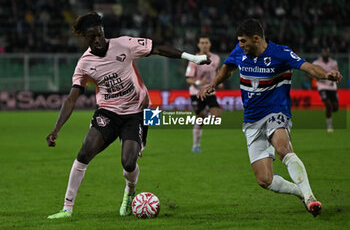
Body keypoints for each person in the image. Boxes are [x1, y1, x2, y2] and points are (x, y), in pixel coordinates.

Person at [46, 12, 210, 219]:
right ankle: (67, 208)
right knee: (84, 153)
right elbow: (71, 99)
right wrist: (56, 129)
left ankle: (129, 193)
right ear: (85, 39)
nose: (96, 40)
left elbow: (157, 48)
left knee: (128, 162)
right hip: (108, 111)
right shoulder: (84, 64)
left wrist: (192, 58)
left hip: (138, 111)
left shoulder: (124, 44)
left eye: (98, 35)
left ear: (103, 31)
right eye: (91, 38)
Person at [198, 19, 342, 217]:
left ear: (256, 39)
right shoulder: (240, 51)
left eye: (243, 41)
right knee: (264, 180)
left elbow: (307, 67)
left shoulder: (280, 53)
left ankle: (310, 197)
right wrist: (213, 84)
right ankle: (299, 192)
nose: (240, 45)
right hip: (251, 120)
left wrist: (326, 75)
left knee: (283, 148)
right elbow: (228, 67)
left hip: (276, 112)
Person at [185, 35, 222, 152]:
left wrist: (218, 81)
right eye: (202, 43)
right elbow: (188, 78)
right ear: (198, 45)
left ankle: (204, 116)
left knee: (217, 116)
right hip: (196, 92)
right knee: (200, 119)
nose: (204, 45)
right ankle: (196, 145)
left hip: (210, 92)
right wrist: (198, 82)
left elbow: (217, 72)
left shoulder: (216, 58)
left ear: (210, 44)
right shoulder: (193, 59)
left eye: (206, 42)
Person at [312, 47, 339, 132]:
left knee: (335, 107)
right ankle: (330, 126)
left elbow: (336, 73)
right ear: (322, 53)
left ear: (329, 53)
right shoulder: (316, 62)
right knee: (327, 104)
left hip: (332, 86)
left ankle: (329, 111)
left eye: (326, 52)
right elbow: (312, 73)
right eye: (324, 52)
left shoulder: (334, 63)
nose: (325, 53)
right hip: (322, 86)